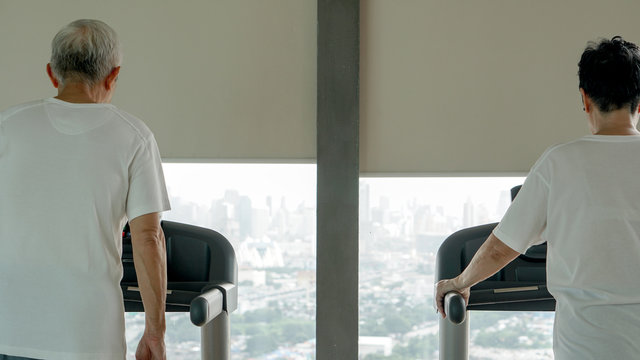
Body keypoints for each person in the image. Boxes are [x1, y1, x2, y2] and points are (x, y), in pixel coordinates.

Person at [436, 35, 640, 359]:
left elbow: (504, 245)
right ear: (639, 101)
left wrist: (460, 281)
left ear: (585, 99)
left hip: (588, 346)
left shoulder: (560, 163)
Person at [0, 20, 170, 360]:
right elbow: (148, 238)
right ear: (113, 75)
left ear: (52, 73)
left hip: (8, 330)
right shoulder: (134, 137)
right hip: (88, 336)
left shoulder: (7, 126)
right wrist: (155, 332)